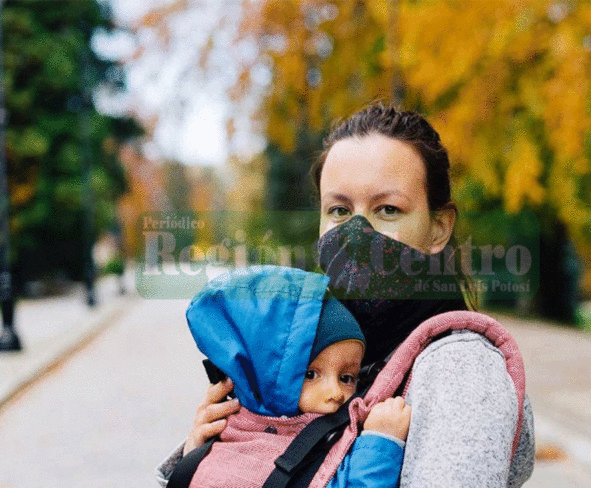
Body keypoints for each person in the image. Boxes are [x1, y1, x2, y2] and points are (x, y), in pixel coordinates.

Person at [158, 104, 535, 487]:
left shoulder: (461, 371)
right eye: (339, 210)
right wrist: (209, 457)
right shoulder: (316, 342)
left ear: (438, 228)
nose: (356, 233)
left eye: (387, 209)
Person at [158, 266, 411, 488]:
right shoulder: (234, 459)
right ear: (263, 377)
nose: (335, 393)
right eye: (310, 374)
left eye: (347, 378)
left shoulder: (334, 431)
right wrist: (381, 444)